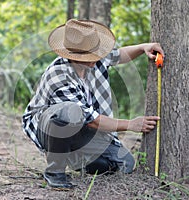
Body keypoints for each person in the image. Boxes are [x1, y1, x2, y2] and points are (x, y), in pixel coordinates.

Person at [22, 19, 164, 189]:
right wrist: (131, 124)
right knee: (70, 112)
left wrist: (142, 47)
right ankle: (55, 172)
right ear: (72, 54)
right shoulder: (58, 75)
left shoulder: (95, 58)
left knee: (124, 163)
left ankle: (71, 154)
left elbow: (119, 55)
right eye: (88, 57)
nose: (94, 61)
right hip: (48, 125)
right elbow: (92, 120)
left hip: (83, 127)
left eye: (95, 55)